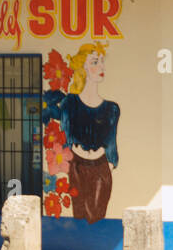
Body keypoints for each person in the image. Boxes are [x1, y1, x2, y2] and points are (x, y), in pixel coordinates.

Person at [42, 42, 120, 223]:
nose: (101, 67)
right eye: (95, 62)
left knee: (97, 216)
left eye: (102, 61)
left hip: (100, 167)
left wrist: (108, 165)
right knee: (79, 216)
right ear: (82, 67)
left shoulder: (112, 109)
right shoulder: (69, 103)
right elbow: (65, 137)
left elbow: (111, 143)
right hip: (76, 166)